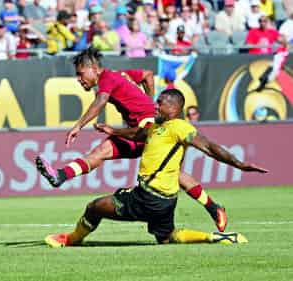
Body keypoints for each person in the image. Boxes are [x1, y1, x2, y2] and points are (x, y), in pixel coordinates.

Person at [35, 47, 228, 233]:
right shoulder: (120, 75)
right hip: (141, 130)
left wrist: (78, 125)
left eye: (80, 73)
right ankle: (213, 208)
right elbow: (147, 74)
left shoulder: (107, 78)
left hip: (146, 131)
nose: (79, 79)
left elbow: (101, 101)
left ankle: (61, 176)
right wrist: (150, 102)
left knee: (107, 154)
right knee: (170, 172)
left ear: (94, 69)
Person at [43, 88, 268, 247]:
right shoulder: (156, 125)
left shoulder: (180, 127)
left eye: (160, 102)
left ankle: (71, 240)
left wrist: (239, 164)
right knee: (167, 237)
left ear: (174, 106)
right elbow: (138, 133)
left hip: (147, 197)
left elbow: (209, 147)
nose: (155, 105)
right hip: (166, 200)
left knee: (94, 207)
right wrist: (114, 132)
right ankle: (216, 238)